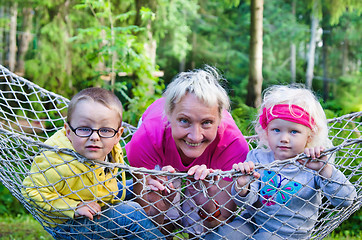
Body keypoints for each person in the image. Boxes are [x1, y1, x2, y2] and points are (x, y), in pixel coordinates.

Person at [22, 87, 164, 240]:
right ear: (68, 132)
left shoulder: (110, 147)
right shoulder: (57, 160)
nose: (95, 137)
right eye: (84, 129)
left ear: (118, 135)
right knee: (131, 213)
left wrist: (144, 181)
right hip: (68, 224)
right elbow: (31, 191)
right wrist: (74, 207)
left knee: (143, 186)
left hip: (94, 196)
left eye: (105, 130)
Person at [125, 66, 250, 238]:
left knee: (199, 225)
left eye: (206, 122)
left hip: (211, 164)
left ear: (220, 119)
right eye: (184, 120)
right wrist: (160, 210)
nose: (195, 136)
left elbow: (219, 223)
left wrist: (207, 205)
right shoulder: (147, 136)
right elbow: (143, 216)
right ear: (168, 114)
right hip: (162, 156)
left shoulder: (233, 145)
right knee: (166, 211)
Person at [231, 84, 357, 239]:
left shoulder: (314, 162)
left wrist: (324, 169)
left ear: (309, 136)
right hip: (251, 222)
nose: (284, 138)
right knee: (226, 234)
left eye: (294, 131)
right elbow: (245, 203)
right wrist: (243, 186)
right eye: (276, 130)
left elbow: (346, 200)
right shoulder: (257, 157)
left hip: (290, 235)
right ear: (266, 130)